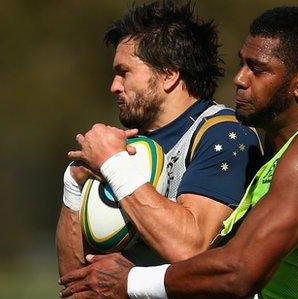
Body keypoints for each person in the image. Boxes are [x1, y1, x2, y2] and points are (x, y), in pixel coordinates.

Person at [60, 6, 298, 298]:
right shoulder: (278, 146)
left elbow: (240, 272)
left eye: (257, 68)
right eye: (241, 63)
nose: (239, 78)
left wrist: (130, 282)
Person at [56, 0, 262, 277]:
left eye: (124, 72)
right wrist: (72, 184)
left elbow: (191, 248)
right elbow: (74, 282)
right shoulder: (123, 147)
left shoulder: (225, 135)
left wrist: (114, 165)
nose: (114, 86)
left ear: (169, 75)